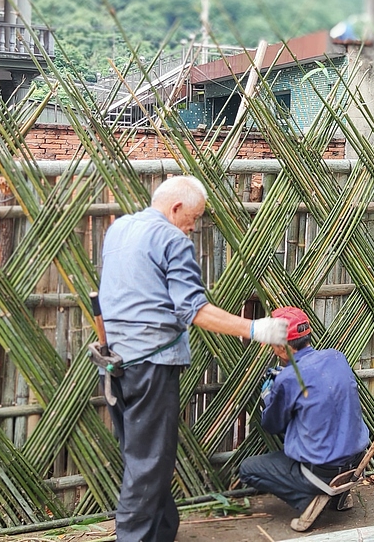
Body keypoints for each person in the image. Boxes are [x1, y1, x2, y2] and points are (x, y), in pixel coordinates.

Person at [98, 175, 290, 542]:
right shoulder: (172, 239)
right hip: (151, 363)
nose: (194, 226)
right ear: (176, 208)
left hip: (115, 362)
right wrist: (254, 329)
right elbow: (194, 310)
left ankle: (163, 532)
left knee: (145, 457)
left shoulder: (119, 229)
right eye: (195, 217)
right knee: (150, 463)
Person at [240, 306, 370, 521]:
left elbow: (272, 426)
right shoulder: (337, 358)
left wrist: (269, 396)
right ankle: (339, 497)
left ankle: (308, 500)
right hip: (355, 461)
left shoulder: (287, 378)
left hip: (322, 470)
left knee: (248, 469)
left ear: (282, 347)